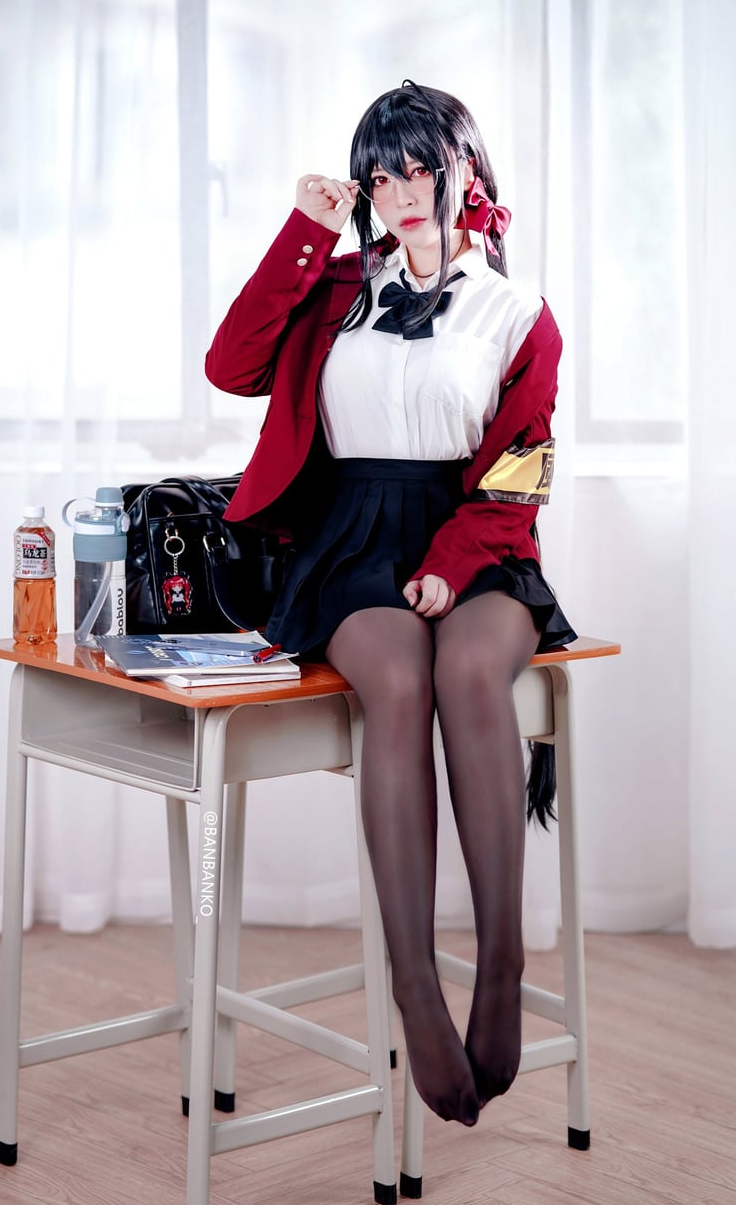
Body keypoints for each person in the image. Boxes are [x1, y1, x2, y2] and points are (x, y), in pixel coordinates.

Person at [205, 81, 576, 1129]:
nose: (401, 192)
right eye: (381, 175)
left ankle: (499, 966)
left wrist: (452, 565)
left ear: (466, 174)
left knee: (469, 665)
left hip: (481, 536)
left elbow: (520, 469)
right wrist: (306, 229)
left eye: (420, 169)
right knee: (400, 679)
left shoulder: (518, 313)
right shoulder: (339, 287)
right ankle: (415, 984)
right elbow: (230, 365)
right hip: (353, 544)